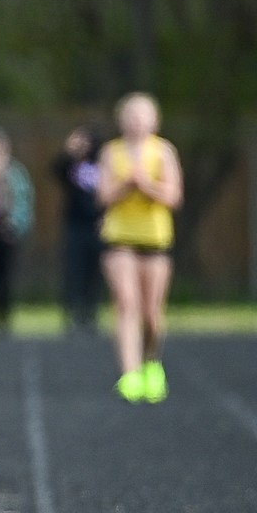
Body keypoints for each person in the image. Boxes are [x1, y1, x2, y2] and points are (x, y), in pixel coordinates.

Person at [96, 92, 182, 404]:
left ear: (154, 120)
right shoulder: (111, 152)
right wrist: (125, 185)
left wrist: (145, 184)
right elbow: (103, 196)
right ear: (121, 120)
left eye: (142, 115)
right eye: (130, 116)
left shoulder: (163, 152)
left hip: (155, 239)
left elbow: (173, 197)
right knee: (125, 302)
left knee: (151, 314)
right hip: (119, 237)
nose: (136, 122)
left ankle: (151, 363)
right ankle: (129, 372)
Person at [52, 124, 104, 333]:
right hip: (74, 225)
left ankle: (91, 313)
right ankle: (72, 312)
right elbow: (55, 169)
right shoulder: (70, 166)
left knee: (94, 273)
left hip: (98, 226)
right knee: (74, 271)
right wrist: (70, 150)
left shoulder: (101, 164)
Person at [0, 124, 34, 335]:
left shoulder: (15, 172)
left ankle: (4, 318)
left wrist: (14, 224)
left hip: (7, 230)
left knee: (5, 276)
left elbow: (24, 200)